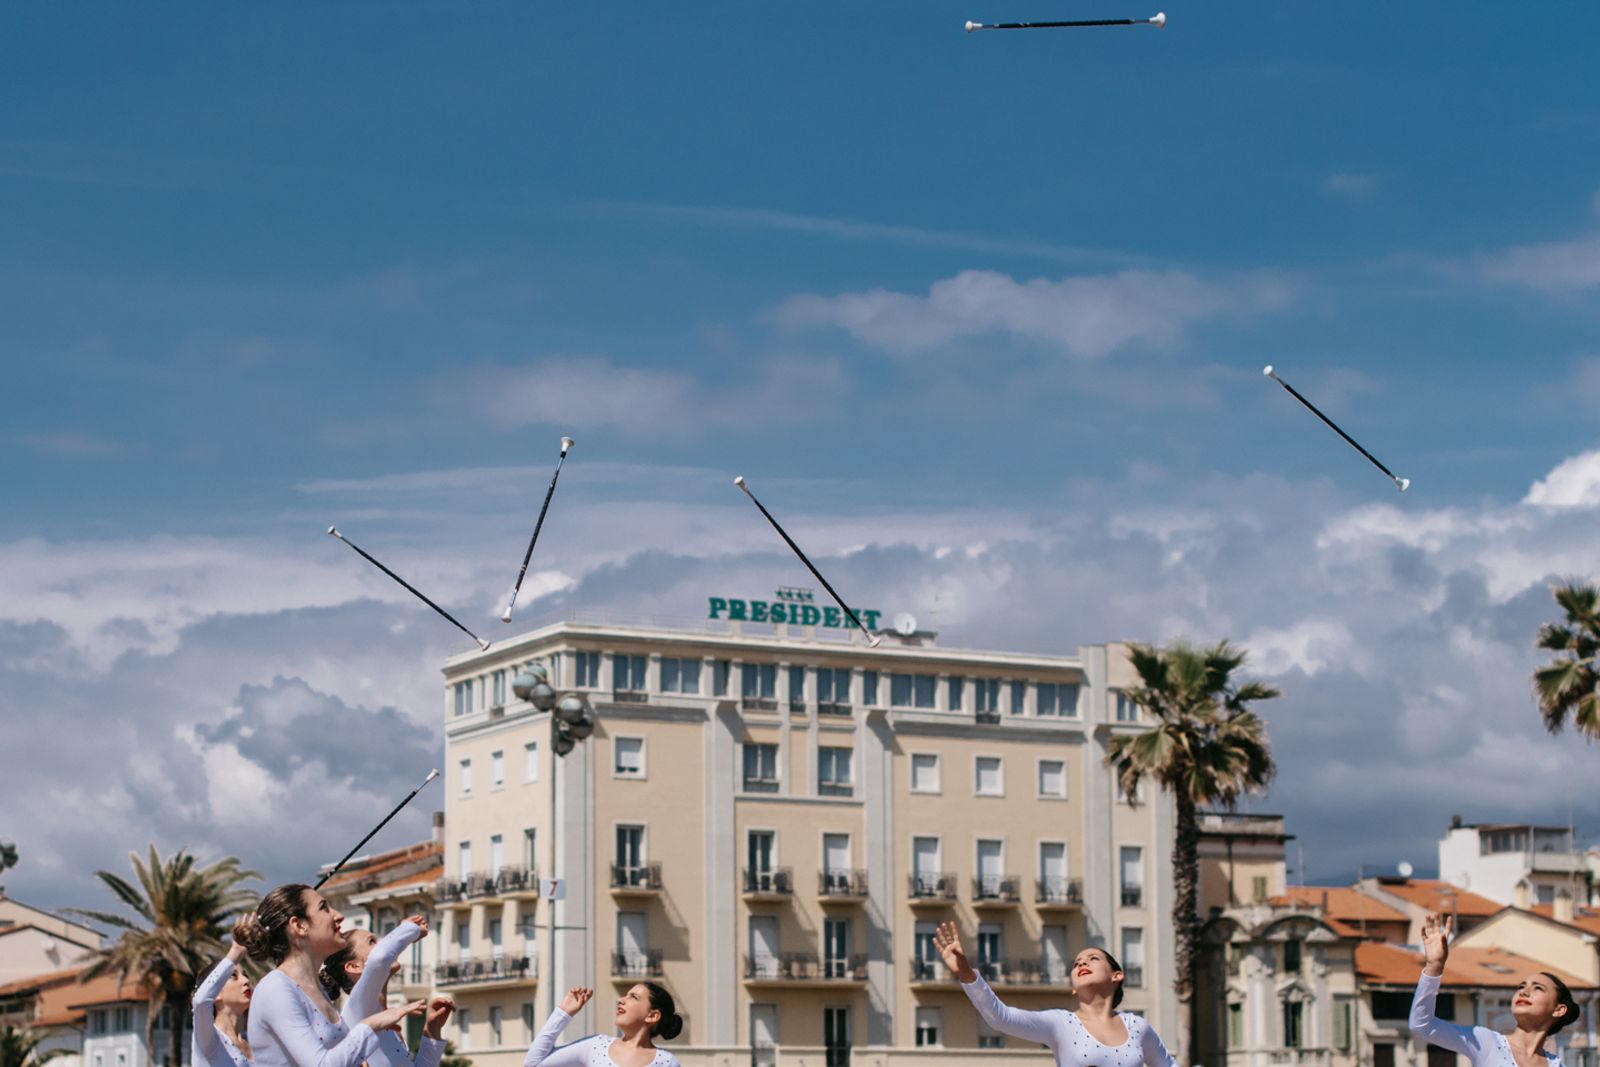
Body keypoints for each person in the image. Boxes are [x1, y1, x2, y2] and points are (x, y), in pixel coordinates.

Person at [932, 921, 1178, 1067]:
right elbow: (1000, 1018)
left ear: (1117, 975)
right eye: (1077, 963)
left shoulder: (1137, 1027)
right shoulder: (1061, 1023)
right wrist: (966, 973)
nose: (1083, 963)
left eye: (1093, 959)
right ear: (1073, 987)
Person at [238, 884, 427, 1067]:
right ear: (299, 925)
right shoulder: (275, 988)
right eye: (324, 908)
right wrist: (373, 1024)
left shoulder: (319, 991)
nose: (339, 916)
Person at [1411, 913, 1580, 1067]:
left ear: (1558, 1010)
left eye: (1538, 988)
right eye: (1521, 986)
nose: (1524, 992)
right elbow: (1422, 1025)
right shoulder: (1487, 1042)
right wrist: (1434, 966)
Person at [320, 914, 453, 1067]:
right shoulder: (357, 1010)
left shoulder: (388, 1022)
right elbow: (379, 958)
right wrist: (410, 930)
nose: (383, 944)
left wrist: (432, 1030)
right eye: (372, 942)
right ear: (354, 966)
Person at [524, 984, 683, 1067]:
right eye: (625, 995)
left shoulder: (667, 1062)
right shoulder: (596, 1045)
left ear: (653, 1016)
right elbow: (534, 1063)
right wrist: (564, 1012)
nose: (621, 1000)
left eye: (633, 997)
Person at [193, 923, 255, 1067]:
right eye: (234, 976)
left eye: (245, 975)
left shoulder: (254, 1044)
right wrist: (235, 952)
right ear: (215, 993)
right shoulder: (208, 1039)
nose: (246, 981)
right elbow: (200, 1001)